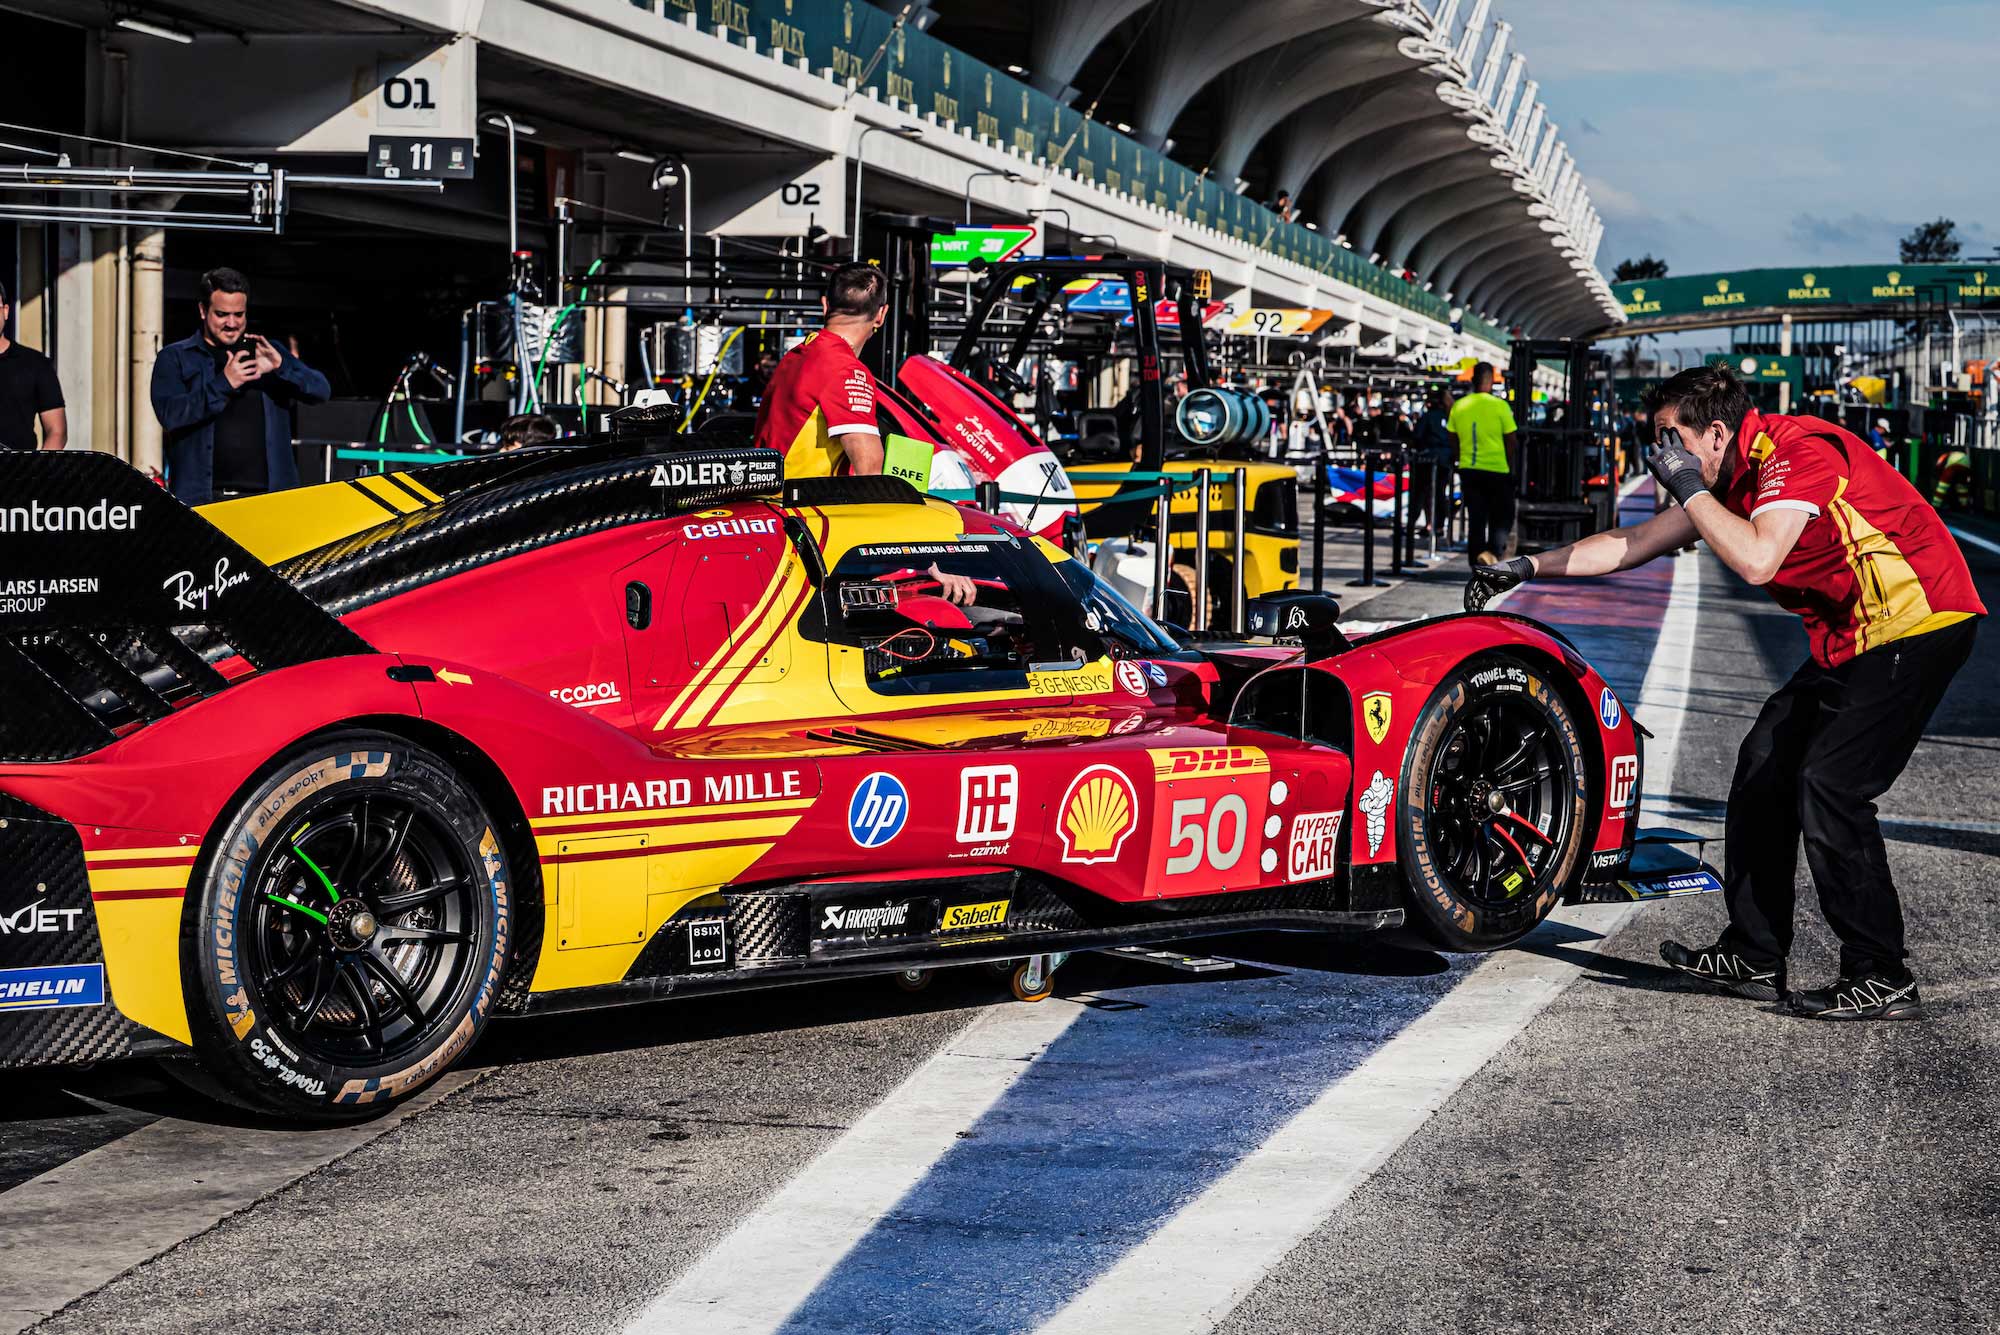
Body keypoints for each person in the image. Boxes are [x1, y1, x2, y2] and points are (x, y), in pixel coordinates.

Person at [1468, 365, 1983, 1020]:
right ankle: (1754, 953)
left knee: (1830, 783)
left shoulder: (1795, 453)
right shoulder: (1725, 478)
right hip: (1856, 636)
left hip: (1919, 620)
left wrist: (1686, 486)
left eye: (1670, 439)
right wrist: (1526, 566)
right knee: (1764, 764)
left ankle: (1881, 972)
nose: (1663, 456)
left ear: (1716, 432)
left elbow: (1758, 559)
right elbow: (1634, 543)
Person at [752, 262, 972, 603]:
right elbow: (870, 472)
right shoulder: (845, 370)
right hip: (808, 537)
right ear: (881, 315)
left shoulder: (794, 357)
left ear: (825, 306)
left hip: (770, 523)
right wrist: (927, 557)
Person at [150, 267, 330, 503]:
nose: (232, 323)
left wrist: (282, 367)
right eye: (222, 314)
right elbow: (170, 415)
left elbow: (321, 391)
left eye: (239, 314)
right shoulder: (176, 357)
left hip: (269, 500)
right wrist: (224, 383)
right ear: (203, 311)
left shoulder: (265, 352)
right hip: (204, 500)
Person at [1448, 361, 1517, 565]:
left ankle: (1476, 559)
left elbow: (1452, 437)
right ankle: (1493, 553)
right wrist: (1510, 464)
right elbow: (1511, 440)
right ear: (1493, 381)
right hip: (1497, 469)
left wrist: (1460, 457)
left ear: (1472, 380)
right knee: (1502, 516)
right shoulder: (1500, 406)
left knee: (1476, 517)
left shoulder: (1460, 405)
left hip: (1470, 469)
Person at [0, 280, 67, 452]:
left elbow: (57, 431)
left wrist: (38, 471)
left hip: (19, 473)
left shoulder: (35, 364)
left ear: (6, 311)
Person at [1412, 389, 1455, 532]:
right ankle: (1438, 525)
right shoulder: (1450, 416)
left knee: (1423, 491)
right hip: (1446, 459)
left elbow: (1417, 436)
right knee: (1439, 493)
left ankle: (1424, 522)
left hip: (1429, 459)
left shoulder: (1428, 417)